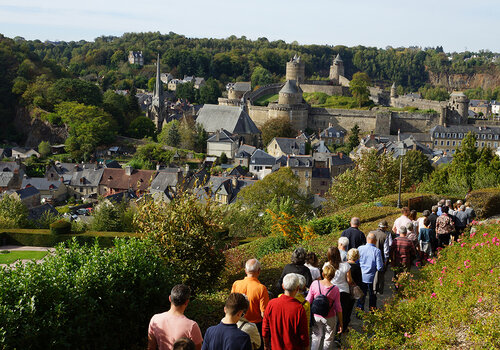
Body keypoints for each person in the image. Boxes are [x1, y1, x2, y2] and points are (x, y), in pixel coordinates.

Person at [148, 284, 203, 350]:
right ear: (187, 302)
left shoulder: (155, 319)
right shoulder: (192, 326)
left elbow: (151, 347)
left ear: (170, 298)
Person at [263, 274, 309, 350]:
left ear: (283, 286)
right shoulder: (299, 308)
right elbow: (303, 336)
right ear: (297, 288)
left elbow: (265, 329)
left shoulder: (271, 304)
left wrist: (266, 345)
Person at [231, 259, 269, 348]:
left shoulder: (236, 284)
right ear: (259, 271)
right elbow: (264, 313)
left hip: (237, 323)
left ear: (245, 271)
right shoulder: (261, 288)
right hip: (255, 326)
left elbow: (231, 304)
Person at [306, 265, 343, 350]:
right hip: (330, 317)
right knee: (328, 338)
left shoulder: (315, 284)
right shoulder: (335, 289)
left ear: (323, 274)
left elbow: (308, 300)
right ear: (333, 276)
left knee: (316, 335)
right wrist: (341, 322)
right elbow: (338, 307)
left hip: (316, 315)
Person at [323, 247, 352, 335]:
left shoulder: (326, 266)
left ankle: (329, 331)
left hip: (330, 291)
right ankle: (339, 332)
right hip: (343, 291)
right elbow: (349, 281)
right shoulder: (346, 265)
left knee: (330, 313)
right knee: (342, 312)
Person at [357, 233, 383, 311]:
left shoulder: (359, 248)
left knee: (361, 295)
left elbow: (356, 261)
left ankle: (359, 312)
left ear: (367, 239)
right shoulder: (377, 251)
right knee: (372, 295)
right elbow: (379, 267)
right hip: (372, 277)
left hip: (361, 276)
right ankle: (372, 312)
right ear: (375, 241)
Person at [370, 220, 392, 295]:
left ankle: (372, 288)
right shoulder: (386, 235)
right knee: (380, 274)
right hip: (381, 256)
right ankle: (379, 289)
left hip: (371, 257)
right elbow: (386, 249)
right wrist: (386, 259)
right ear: (385, 227)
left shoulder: (371, 233)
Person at [345, 249, 362, 330]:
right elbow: (359, 281)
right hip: (352, 291)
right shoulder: (357, 267)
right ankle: (346, 324)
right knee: (349, 309)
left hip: (344, 289)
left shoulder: (344, 265)